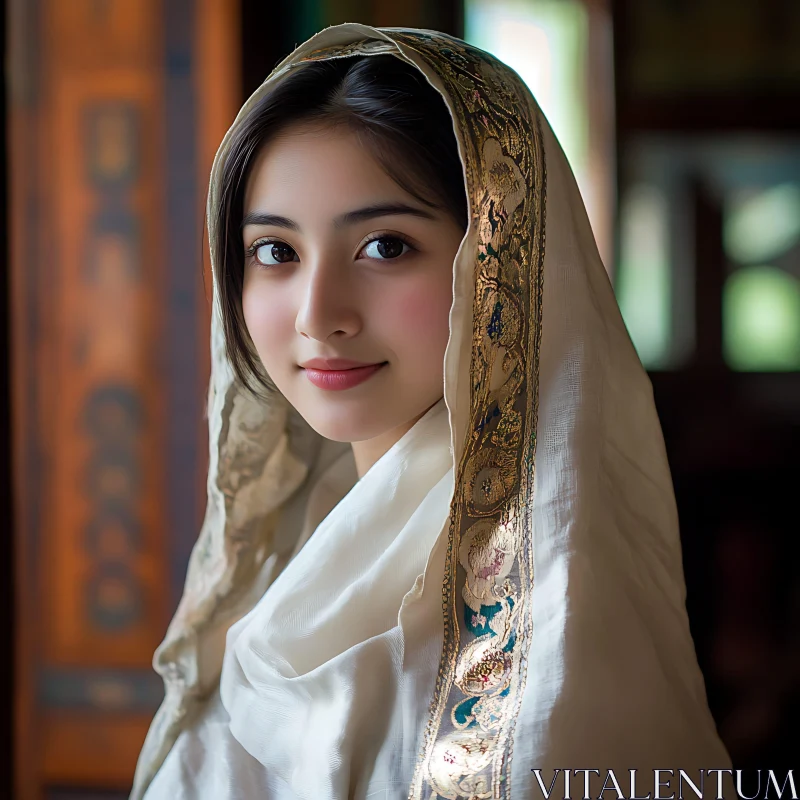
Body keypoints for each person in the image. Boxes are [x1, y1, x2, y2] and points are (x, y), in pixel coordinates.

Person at [132, 23, 732, 800]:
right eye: (276, 252)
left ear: (503, 268)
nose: (319, 315)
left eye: (385, 246)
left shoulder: (560, 625)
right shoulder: (282, 568)